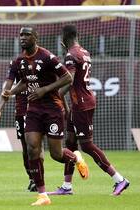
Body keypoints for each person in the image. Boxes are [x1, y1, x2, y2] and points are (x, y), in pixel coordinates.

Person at [2, 26, 89, 206]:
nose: (23, 38)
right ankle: (42, 195)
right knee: (32, 147)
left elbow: (67, 78)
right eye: (21, 35)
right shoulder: (20, 61)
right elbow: (25, 83)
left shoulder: (47, 56)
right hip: (33, 109)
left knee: (56, 154)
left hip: (52, 109)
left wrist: (45, 90)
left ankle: (75, 157)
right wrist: (10, 92)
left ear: (35, 37)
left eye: (27, 35)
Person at [47, 24, 130, 196]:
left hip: (81, 104)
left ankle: (119, 179)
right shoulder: (84, 52)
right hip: (81, 101)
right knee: (70, 142)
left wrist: (51, 94)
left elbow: (68, 79)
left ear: (64, 39)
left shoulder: (71, 56)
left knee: (86, 145)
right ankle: (66, 186)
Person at [0, 59, 39, 192]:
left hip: (38, 110)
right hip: (21, 110)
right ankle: (31, 178)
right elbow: (8, 87)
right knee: (26, 148)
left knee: (35, 146)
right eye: (22, 36)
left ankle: (38, 179)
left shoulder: (42, 59)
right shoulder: (16, 63)